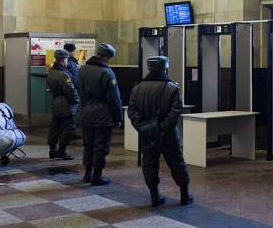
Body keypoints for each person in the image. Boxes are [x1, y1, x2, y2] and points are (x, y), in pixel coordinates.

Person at [127, 56, 193, 206]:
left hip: (147, 133)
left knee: (149, 163)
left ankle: (155, 196)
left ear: (149, 68)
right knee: (176, 161)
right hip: (168, 133)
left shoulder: (137, 88)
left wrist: (144, 128)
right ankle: (184, 195)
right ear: (165, 68)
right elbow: (176, 110)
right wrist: (163, 129)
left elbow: (132, 111)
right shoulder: (172, 88)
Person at [77, 43, 122, 185]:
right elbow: (114, 98)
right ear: (107, 57)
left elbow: (79, 91)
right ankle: (97, 175)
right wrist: (118, 117)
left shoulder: (83, 70)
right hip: (103, 114)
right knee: (101, 145)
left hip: (87, 112)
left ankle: (87, 173)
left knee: (88, 144)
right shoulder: (107, 72)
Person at [47, 48, 79, 160]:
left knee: (54, 127)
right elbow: (70, 91)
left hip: (56, 102)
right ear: (64, 60)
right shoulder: (63, 74)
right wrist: (77, 100)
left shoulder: (52, 72)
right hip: (66, 104)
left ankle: (52, 150)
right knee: (69, 127)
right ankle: (61, 150)